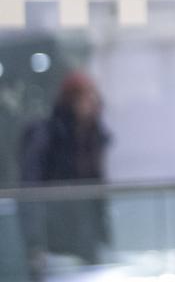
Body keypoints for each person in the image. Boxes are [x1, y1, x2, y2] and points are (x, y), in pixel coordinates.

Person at [19, 71, 112, 279]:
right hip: (55, 240)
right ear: (73, 99)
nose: (91, 103)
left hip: (87, 237)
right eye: (86, 96)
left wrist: (103, 234)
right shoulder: (48, 135)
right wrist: (34, 242)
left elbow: (98, 189)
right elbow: (29, 190)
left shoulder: (93, 136)